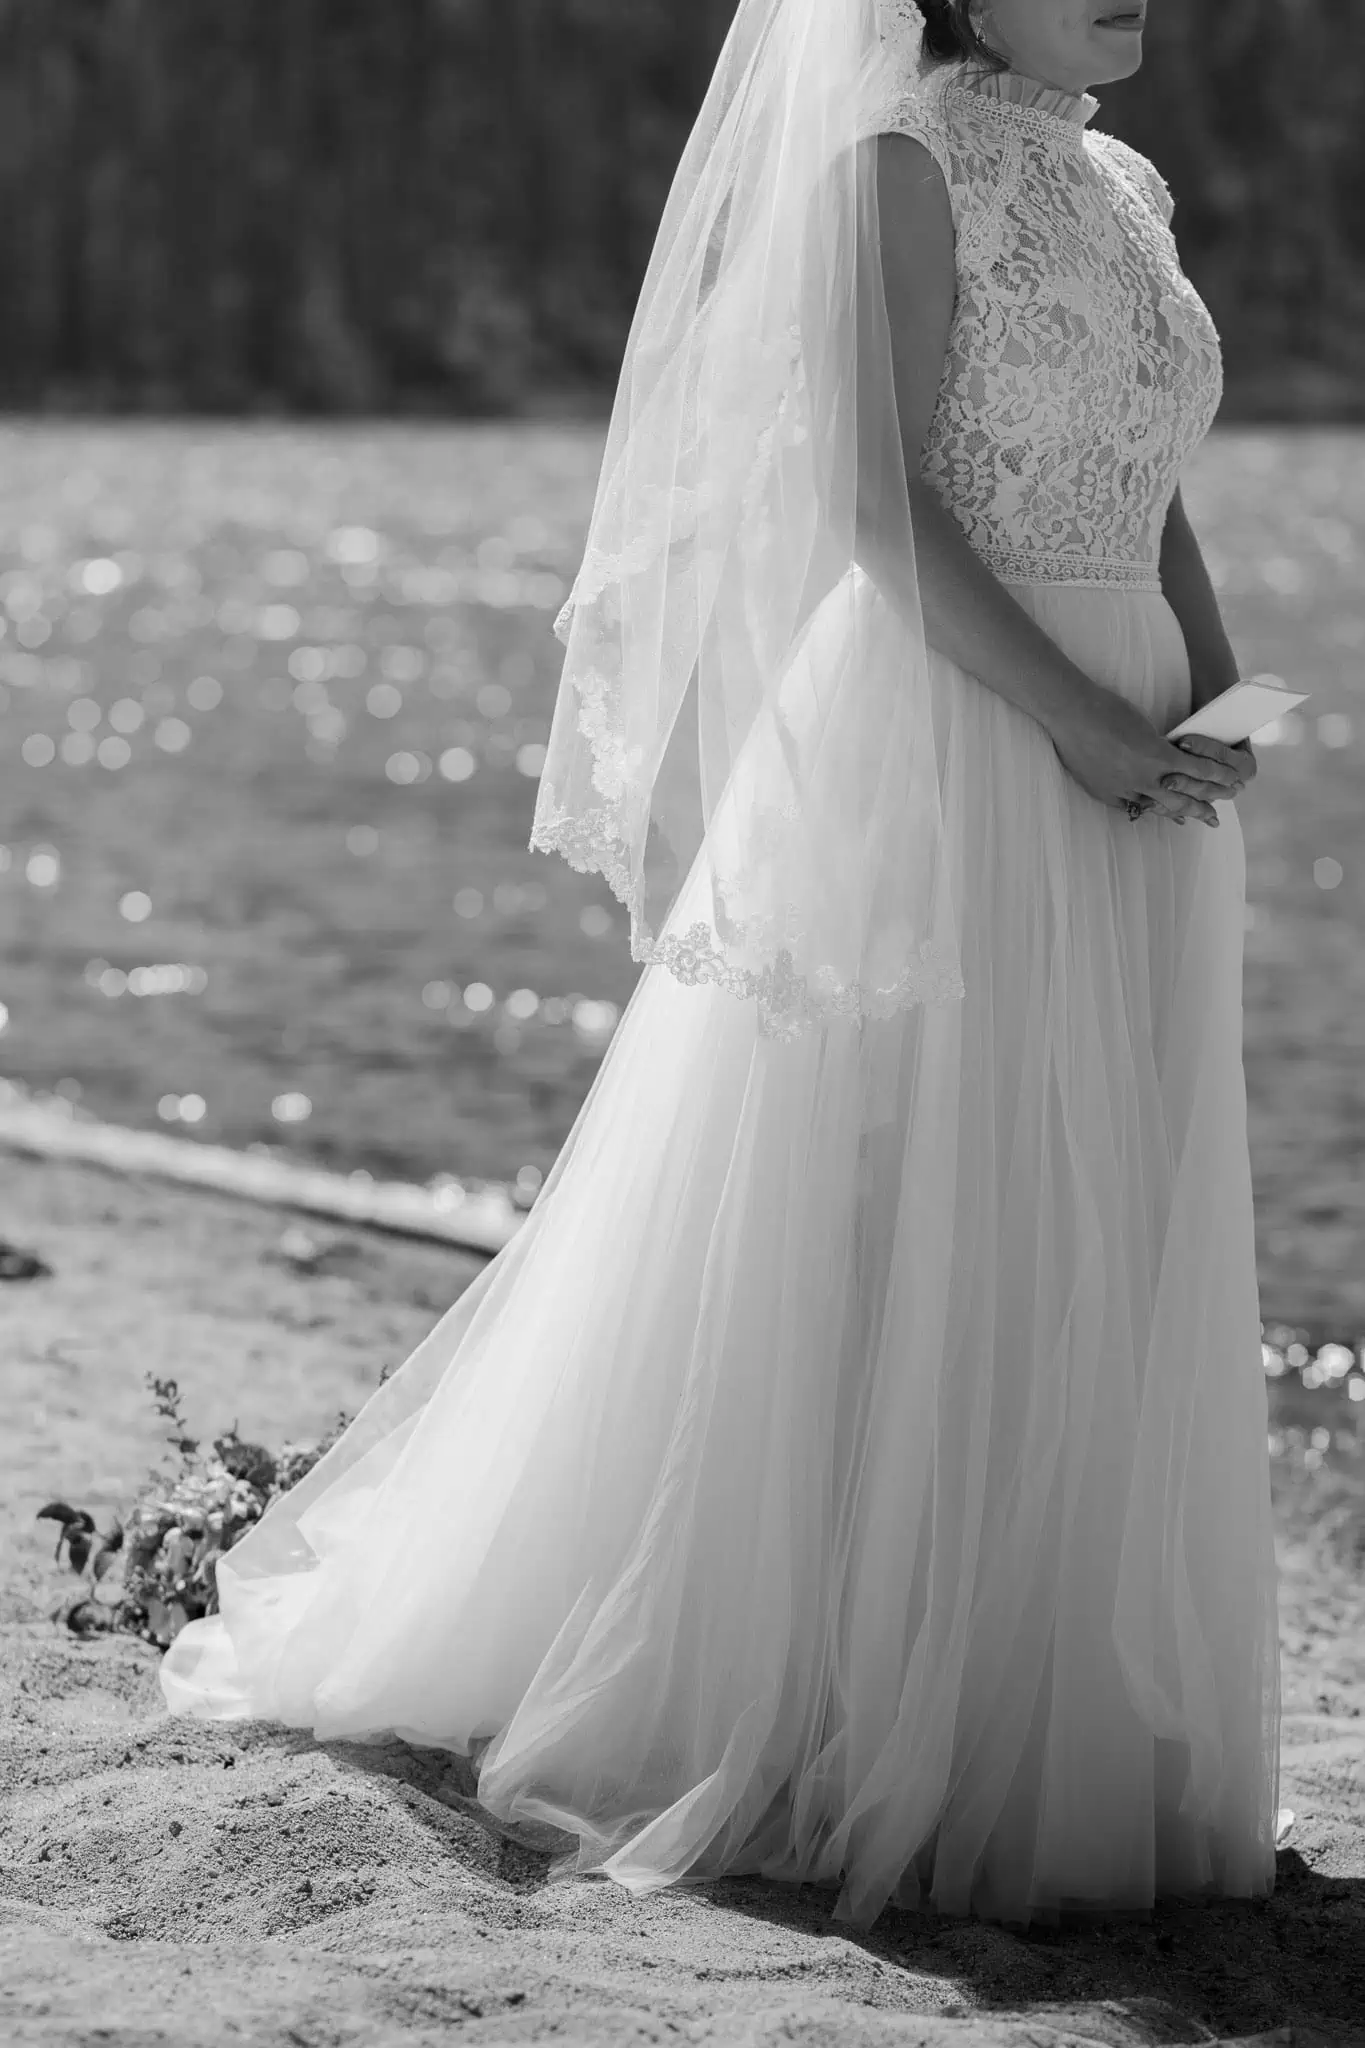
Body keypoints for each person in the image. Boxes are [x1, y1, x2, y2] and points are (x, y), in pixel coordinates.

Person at [161, 0, 1283, 1932]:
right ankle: (850, 1711)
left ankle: (1044, 1698)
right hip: (952, 743)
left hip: (1135, 755)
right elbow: (875, 508)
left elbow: (1143, 473)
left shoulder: (1121, 179)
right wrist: (1080, 729)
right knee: (901, 1215)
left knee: (1090, 1222)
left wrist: (1201, 677)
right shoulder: (893, 166)